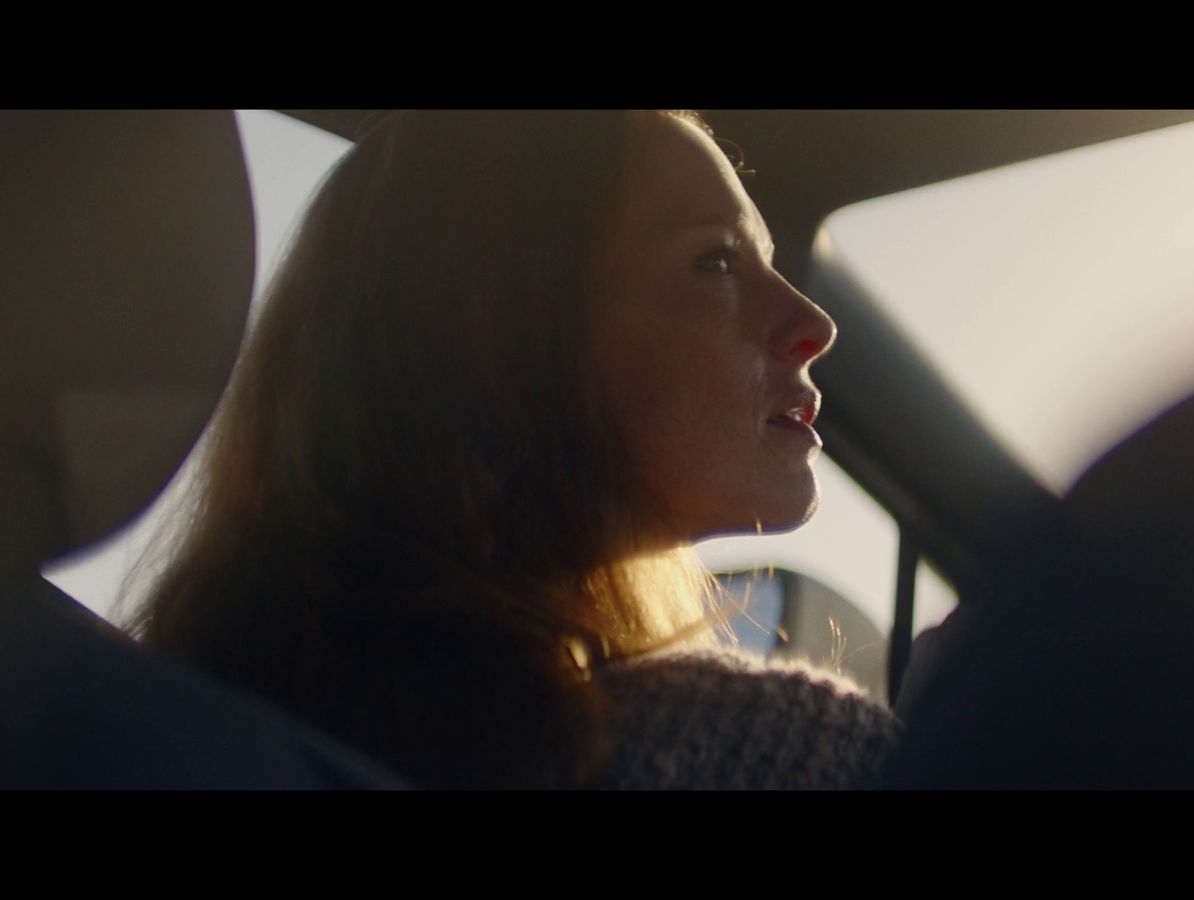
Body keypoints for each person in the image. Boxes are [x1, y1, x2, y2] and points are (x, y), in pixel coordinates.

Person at [132, 110, 898, 789]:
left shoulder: (147, 728)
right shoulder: (758, 755)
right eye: (716, 262)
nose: (812, 324)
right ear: (496, 344)